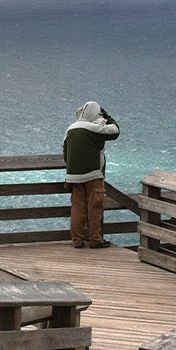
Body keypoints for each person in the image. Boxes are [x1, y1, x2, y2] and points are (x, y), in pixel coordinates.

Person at [63, 100, 121, 248]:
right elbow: (115, 131)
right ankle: (95, 239)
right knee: (95, 206)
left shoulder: (70, 129)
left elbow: (65, 154)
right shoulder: (93, 128)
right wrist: (108, 117)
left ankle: (77, 240)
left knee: (77, 208)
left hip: (73, 176)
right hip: (93, 174)